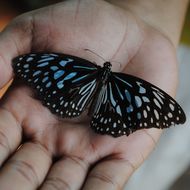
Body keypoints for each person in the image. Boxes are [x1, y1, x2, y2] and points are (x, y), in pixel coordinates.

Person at [0, 0, 189, 189]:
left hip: (181, 54)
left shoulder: (80, 67)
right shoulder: (127, 84)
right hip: (167, 39)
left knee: (145, 174)